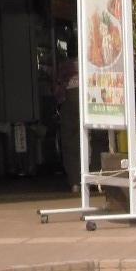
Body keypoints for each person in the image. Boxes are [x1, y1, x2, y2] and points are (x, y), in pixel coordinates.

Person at [55, 56, 81, 192]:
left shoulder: (65, 66)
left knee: (70, 142)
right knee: (97, 139)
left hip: (68, 103)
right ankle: (96, 177)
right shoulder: (94, 61)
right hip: (91, 100)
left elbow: (58, 88)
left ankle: (75, 181)